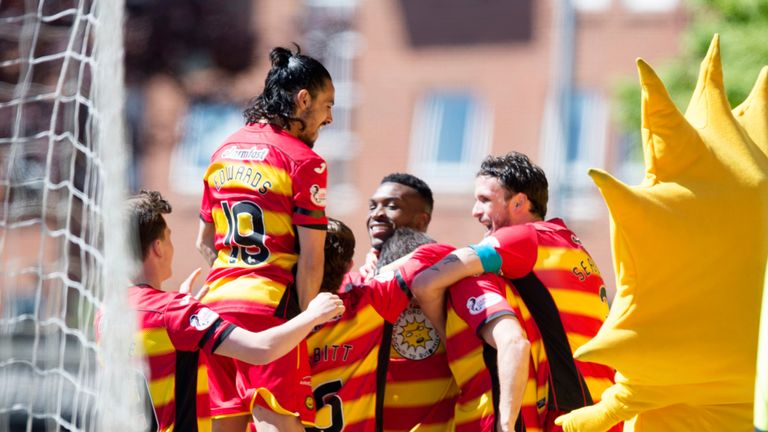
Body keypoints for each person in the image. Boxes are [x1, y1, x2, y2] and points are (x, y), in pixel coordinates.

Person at [410, 152, 619, 430]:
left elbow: (425, 283)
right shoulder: (566, 242)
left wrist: (451, 339)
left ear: (519, 202)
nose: (475, 211)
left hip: (570, 412)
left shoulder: (521, 239)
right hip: (605, 409)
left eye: (485, 200)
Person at [122, 190, 344, 432]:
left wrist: (185, 307)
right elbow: (261, 349)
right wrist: (312, 315)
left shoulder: (108, 315)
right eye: (168, 237)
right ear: (158, 248)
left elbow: (161, 351)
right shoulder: (174, 312)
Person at [195, 45, 334, 432]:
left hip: (216, 310)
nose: (330, 117)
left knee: (229, 423)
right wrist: (306, 320)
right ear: (303, 99)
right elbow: (311, 257)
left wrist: (235, 279)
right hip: (270, 312)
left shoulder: (222, 150)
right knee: (276, 421)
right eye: (327, 105)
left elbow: (203, 242)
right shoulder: (304, 162)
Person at [353, 173, 458, 431]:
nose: (377, 214)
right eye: (372, 206)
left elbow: (439, 255)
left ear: (422, 220)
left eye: (391, 206)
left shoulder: (448, 272)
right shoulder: (355, 283)